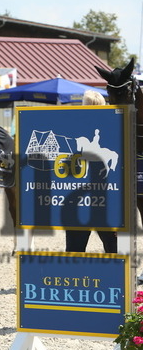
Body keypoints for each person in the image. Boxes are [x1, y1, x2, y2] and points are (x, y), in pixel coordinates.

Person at [65, 90, 117, 254]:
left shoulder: (73, 126)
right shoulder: (115, 125)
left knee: (75, 249)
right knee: (113, 247)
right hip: (105, 201)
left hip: (81, 199)